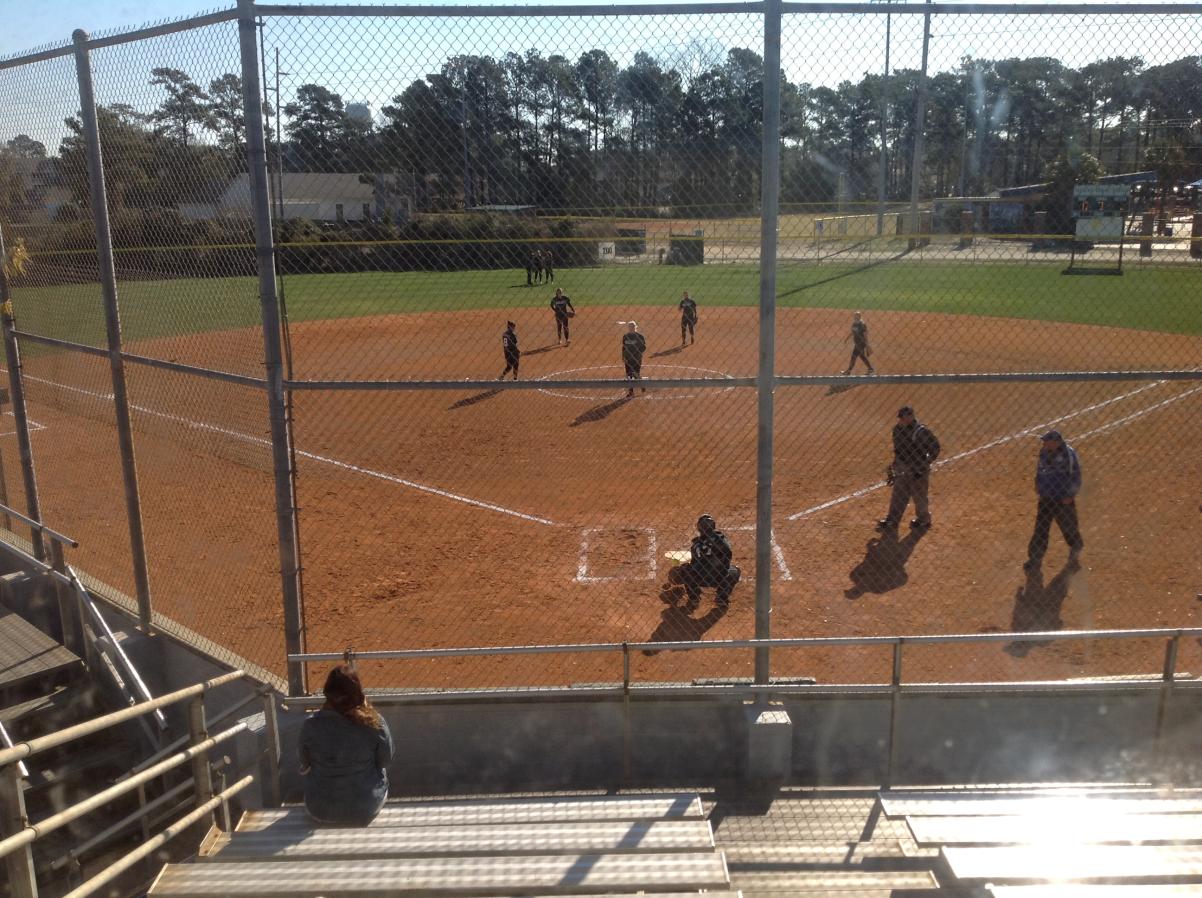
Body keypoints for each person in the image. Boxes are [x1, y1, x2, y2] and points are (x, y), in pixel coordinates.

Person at [299, 665, 393, 826]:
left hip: (320, 810)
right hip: (365, 808)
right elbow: (385, 760)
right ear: (358, 693)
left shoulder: (310, 725)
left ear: (327, 693)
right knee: (381, 770)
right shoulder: (374, 722)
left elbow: (304, 763)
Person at [1024, 430, 1084, 572]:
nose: (1044, 443)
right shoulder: (1043, 452)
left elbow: (1076, 475)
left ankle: (1075, 547)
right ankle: (1035, 559)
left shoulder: (1068, 454)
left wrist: (1070, 495)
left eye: (1046, 441)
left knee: (1068, 527)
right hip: (1046, 498)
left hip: (1063, 499)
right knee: (1040, 529)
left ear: (1055, 442)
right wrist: (1038, 485)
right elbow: (1039, 470)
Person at [877, 406, 941, 532]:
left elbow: (935, 448)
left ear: (911, 417)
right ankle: (892, 521)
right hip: (902, 467)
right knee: (898, 494)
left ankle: (924, 520)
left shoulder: (921, 432)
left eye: (903, 417)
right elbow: (898, 450)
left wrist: (924, 466)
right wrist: (894, 465)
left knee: (919, 497)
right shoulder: (897, 430)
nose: (901, 420)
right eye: (900, 417)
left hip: (918, 469)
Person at [667, 514, 741, 611]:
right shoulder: (723, 541)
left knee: (685, 569)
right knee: (736, 570)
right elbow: (728, 556)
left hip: (700, 579)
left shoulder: (696, 546)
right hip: (720, 579)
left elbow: (694, 563)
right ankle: (722, 598)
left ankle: (694, 598)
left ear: (699, 528)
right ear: (713, 526)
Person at [621, 321, 647, 396]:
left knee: (636, 374)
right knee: (629, 375)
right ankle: (631, 391)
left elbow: (644, 347)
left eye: (632, 327)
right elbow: (623, 347)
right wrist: (623, 356)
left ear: (635, 327)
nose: (631, 328)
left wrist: (637, 353)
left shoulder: (640, 336)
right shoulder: (625, 336)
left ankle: (642, 385)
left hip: (637, 359)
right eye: (630, 327)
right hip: (628, 358)